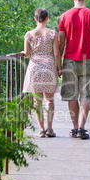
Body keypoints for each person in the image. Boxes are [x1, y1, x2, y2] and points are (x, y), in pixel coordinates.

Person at [58, 0, 90, 139]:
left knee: (71, 96)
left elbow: (61, 42)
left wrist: (59, 63)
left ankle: (75, 128)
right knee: (86, 95)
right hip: (88, 60)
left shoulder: (64, 16)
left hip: (70, 60)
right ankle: (82, 129)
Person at [22, 8, 62, 138]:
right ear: (47, 18)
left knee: (37, 101)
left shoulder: (29, 35)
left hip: (35, 69)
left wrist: (23, 53)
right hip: (49, 68)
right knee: (49, 101)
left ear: (35, 19)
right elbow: (56, 54)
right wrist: (59, 68)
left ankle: (41, 129)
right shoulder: (52, 34)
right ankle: (50, 129)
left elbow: (27, 54)